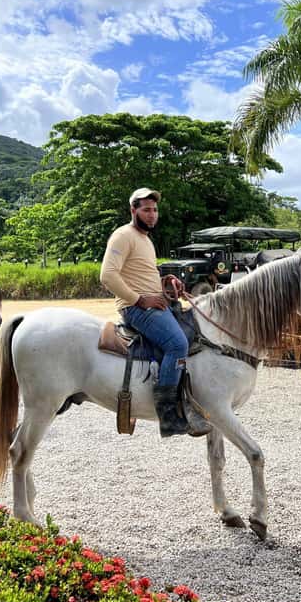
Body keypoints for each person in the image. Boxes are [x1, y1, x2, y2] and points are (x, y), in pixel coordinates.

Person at [100, 187, 208, 438]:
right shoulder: (123, 235)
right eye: (146, 209)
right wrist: (139, 300)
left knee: (194, 331)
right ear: (133, 210)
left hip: (154, 302)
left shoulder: (146, 240)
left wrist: (165, 281)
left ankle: (185, 395)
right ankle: (168, 415)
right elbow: (107, 275)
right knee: (177, 344)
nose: (152, 214)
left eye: (155, 210)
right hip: (135, 309)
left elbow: (139, 273)